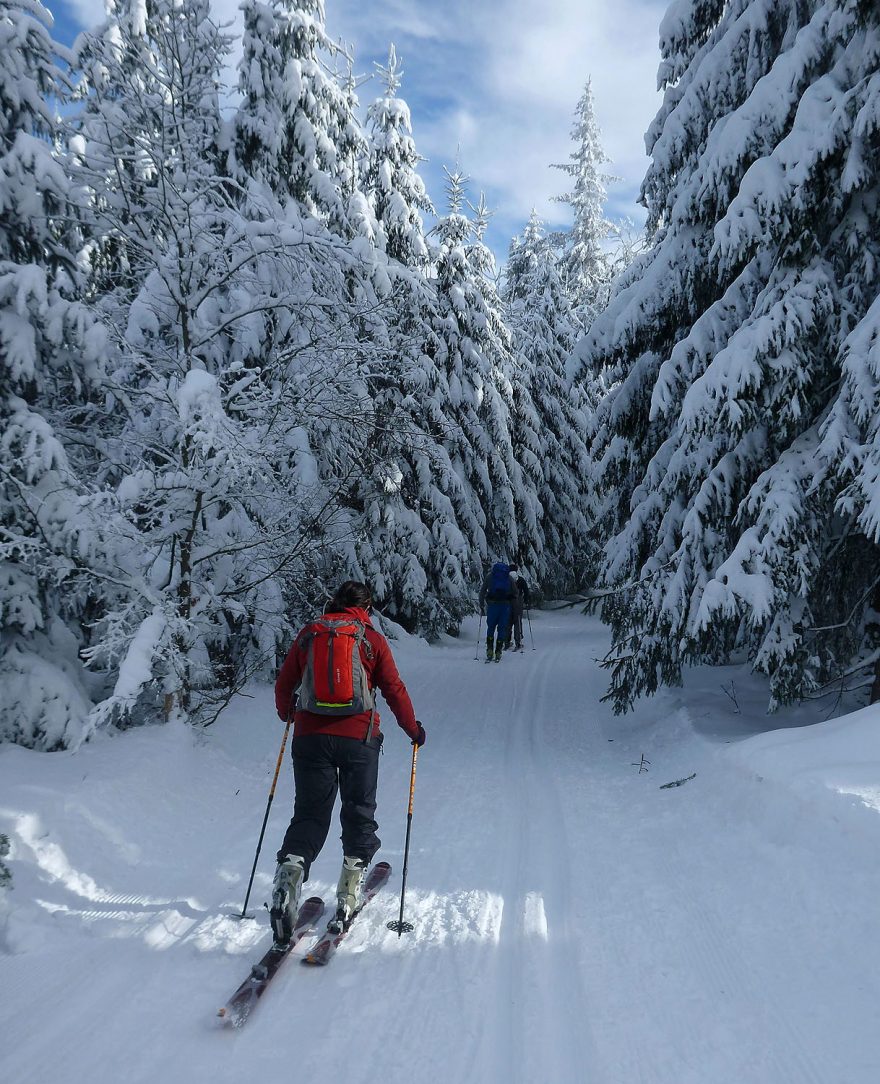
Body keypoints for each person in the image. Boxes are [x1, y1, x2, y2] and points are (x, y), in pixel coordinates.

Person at [270, 580, 425, 945]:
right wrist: (413, 729)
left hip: (310, 737)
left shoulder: (310, 635)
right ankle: (348, 894)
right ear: (365, 608)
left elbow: (284, 683)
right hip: (359, 739)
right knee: (358, 810)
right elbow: (393, 688)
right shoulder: (370, 638)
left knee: (309, 814)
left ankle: (289, 878)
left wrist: (287, 715)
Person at [479, 561, 516, 662]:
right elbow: (515, 591)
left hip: (492, 605)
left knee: (491, 627)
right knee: (502, 628)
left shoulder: (490, 576)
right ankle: (498, 651)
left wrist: (481, 603)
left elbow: (483, 590)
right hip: (504, 606)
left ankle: (490, 650)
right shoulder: (508, 577)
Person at [507, 566, 530, 651]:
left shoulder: (506, 579)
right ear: (516, 570)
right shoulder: (520, 579)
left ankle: (507, 641)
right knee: (517, 621)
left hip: (507, 602)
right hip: (518, 601)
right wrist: (526, 600)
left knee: (508, 621)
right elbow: (526, 591)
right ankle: (518, 642)